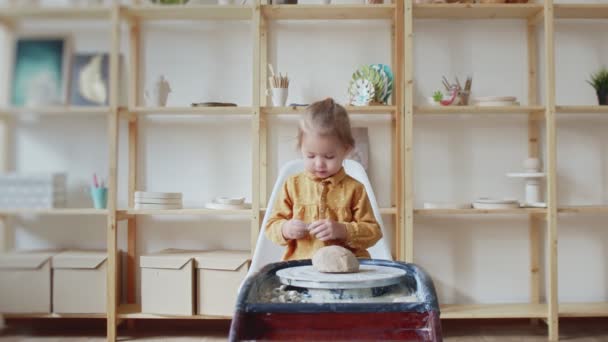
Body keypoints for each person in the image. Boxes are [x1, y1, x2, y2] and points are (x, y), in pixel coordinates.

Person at [265, 97, 382, 261]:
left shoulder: (355, 189)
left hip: (346, 272)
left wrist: (343, 230)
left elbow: (374, 232)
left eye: (329, 156)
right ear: (300, 148)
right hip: (302, 270)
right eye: (310, 155)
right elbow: (271, 226)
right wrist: (286, 228)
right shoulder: (292, 185)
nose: (319, 164)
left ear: (346, 150)